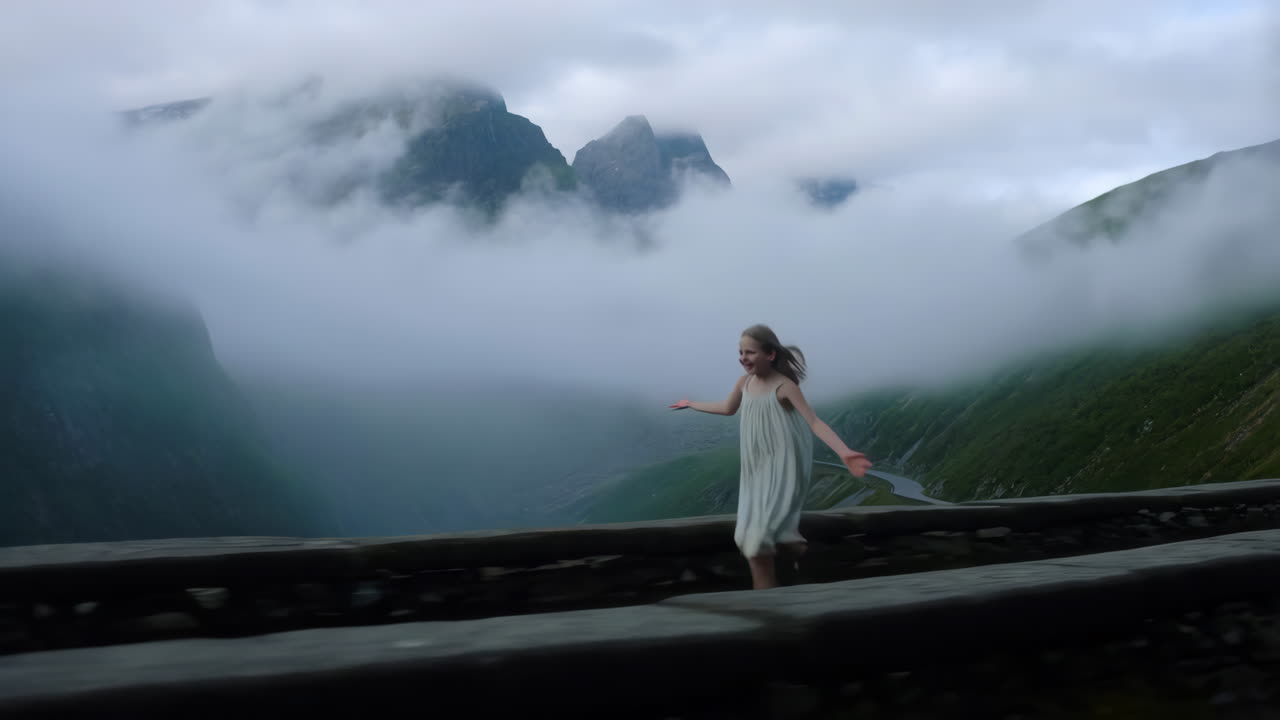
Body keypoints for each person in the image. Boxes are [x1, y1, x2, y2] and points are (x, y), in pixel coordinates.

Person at [669, 324, 872, 590]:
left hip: (784, 465)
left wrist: (844, 451)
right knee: (753, 536)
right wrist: (691, 404)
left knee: (756, 544)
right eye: (740, 352)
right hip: (756, 465)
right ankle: (798, 558)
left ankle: (768, 605)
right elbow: (728, 408)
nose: (743, 358)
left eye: (750, 352)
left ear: (770, 355)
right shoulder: (746, 382)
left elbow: (814, 422)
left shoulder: (784, 387)